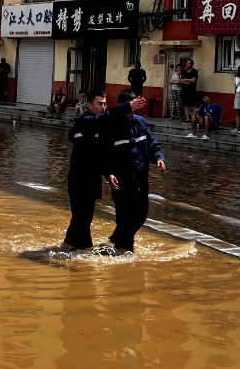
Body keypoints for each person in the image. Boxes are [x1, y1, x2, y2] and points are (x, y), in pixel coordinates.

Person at [62, 89, 147, 251]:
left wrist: (108, 174)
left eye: (105, 104)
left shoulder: (101, 126)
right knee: (82, 219)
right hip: (79, 181)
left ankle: (68, 245)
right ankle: (82, 251)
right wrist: (128, 106)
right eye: (99, 104)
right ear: (89, 105)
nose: (103, 107)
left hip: (93, 180)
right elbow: (104, 119)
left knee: (82, 218)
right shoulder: (84, 121)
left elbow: (102, 155)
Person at [106, 89, 166, 253]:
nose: (132, 111)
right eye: (129, 106)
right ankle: (123, 252)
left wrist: (158, 157)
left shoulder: (140, 123)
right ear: (119, 105)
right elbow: (104, 154)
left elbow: (152, 143)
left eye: (135, 107)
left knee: (141, 215)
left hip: (140, 178)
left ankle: (117, 238)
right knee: (124, 218)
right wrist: (108, 173)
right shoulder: (111, 125)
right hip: (121, 181)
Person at [179, 59, 200, 123]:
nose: (187, 64)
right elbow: (181, 81)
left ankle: (196, 118)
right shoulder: (184, 72)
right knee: (186, 105)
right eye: (187, 63)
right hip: (185, 91)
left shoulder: (195, 71)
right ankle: (187, 119)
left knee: (194, 105)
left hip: (192, 91)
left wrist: (186, 80)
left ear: (192, 64)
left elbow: (194, 80)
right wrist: (189, 81)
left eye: (189, 63)